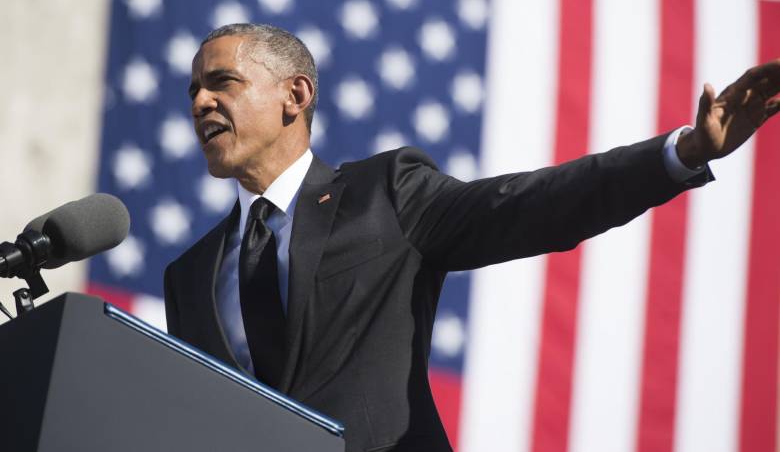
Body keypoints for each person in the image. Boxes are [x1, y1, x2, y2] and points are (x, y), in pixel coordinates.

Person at [164, 23, 780, 452]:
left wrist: (682, 152)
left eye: (223, 82)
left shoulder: (386, 193)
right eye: (193, 89)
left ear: (295, 95)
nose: (200, 101)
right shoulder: (189, 277)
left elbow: (532, 206)